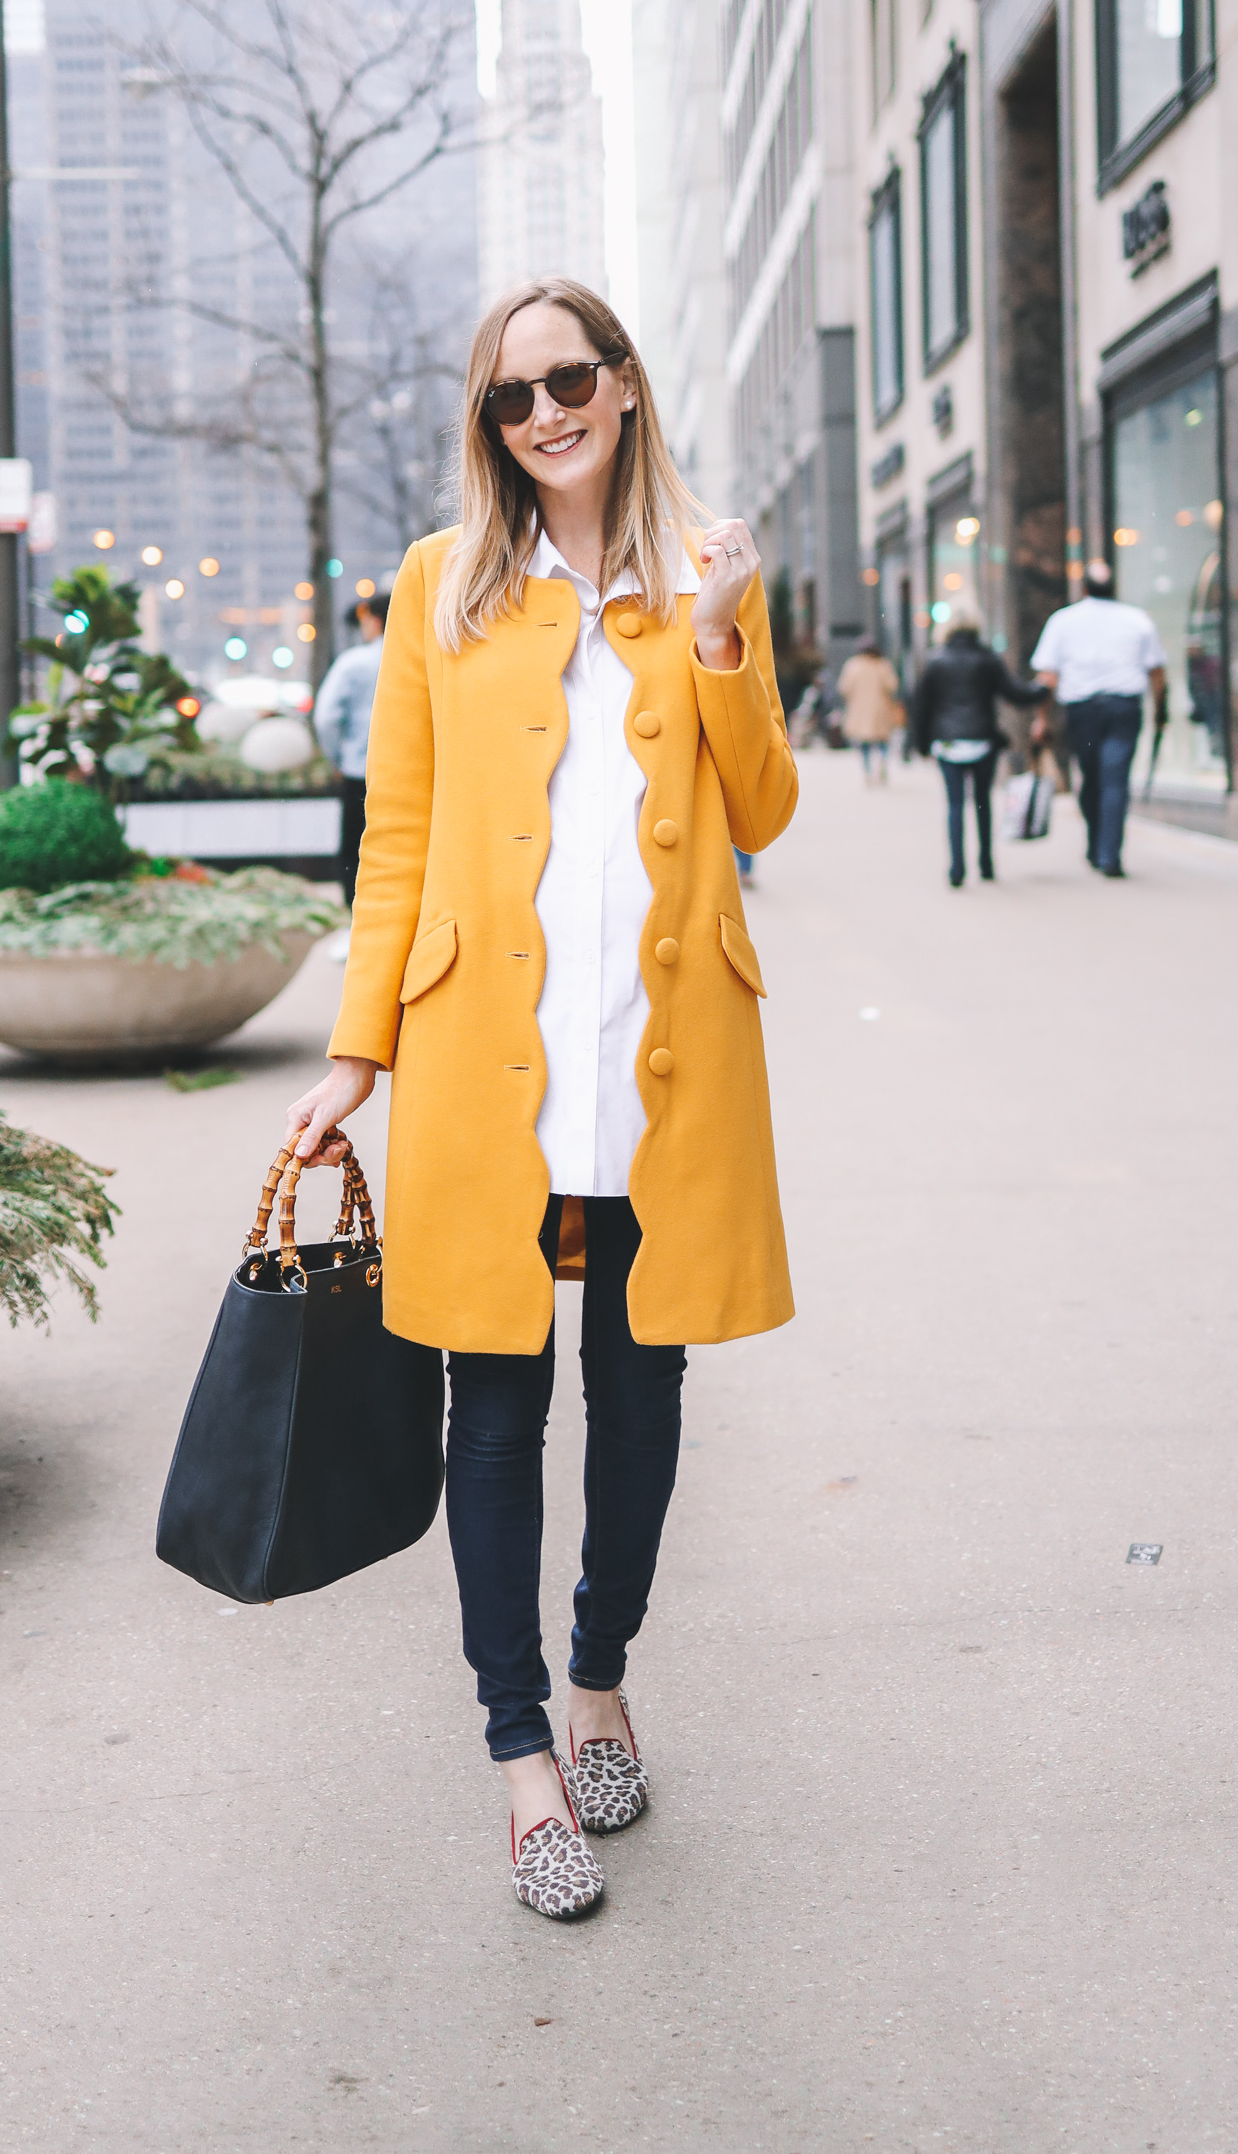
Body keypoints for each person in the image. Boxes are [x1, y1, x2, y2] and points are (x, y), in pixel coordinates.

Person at [284, 276, 797, 1922]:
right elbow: (399, 841)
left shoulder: (707, 566)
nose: (544, 413)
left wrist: (717, 635)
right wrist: (358, 1053)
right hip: (484, 1075)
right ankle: (521, 1761)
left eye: (569, 379)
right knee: (496, 1408)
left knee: (640, 1404)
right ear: (488, 425)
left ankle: (598, 1679)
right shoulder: (444, 589)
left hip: (655, 1071)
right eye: (511, 397)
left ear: (626, 385)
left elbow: (765, 811)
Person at [1030, 560, 1167, 878]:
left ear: (1084, 588)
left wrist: (1041, 718)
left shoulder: (1063, 621)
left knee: (1093, 778)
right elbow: (1157, 672)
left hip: (1083, 712)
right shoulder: (1137, 620)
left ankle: (1103, 850)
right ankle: (1106, 850)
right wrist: (1161, 709)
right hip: (1123, 709)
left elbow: (1047, 676)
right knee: (1113, 780)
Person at [907, 600, 1044, 887]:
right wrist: (1042, 689)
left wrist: (919, 744)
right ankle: (986, 864)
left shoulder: (935, 661)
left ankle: (956, 870)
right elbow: (1016, 693)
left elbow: (921, 706)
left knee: (955, 804)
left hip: (947, 742)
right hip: (983, 739)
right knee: (983, 802)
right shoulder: (988, 660)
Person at [313, 590, 390, 904]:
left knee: (356, 850)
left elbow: (325, 718)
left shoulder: (354, 663)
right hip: (414, 772)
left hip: (360, 770)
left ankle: (356, 920)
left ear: (373, 621)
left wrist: (339, 757)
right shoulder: (425, 656)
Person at [836, 637, 902, 782]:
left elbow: (844, 687)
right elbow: (892, 686)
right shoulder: (883, 664)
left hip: (860, 710)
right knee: (882, 741)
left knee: (864, 742)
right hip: (881, 710)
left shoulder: (853, 665)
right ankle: (882, 764)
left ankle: (867, 771)